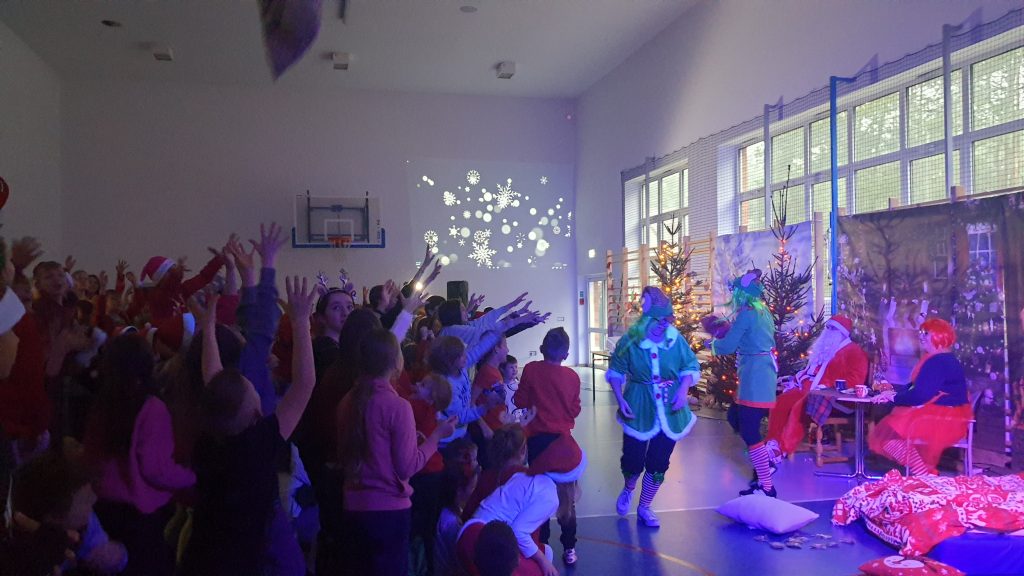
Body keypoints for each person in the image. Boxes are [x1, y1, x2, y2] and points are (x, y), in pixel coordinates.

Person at [179, 273, 315, 576]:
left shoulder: (208, 441)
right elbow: (305, 383)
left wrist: (209, 327)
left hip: (207, 552)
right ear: (256, 413)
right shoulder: (259, 443)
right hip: (252, 553)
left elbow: (213, 380)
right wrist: (301, 322)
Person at [337, 328, 456, 576]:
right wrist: (435, 437)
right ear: (395, 361)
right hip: (388, 512)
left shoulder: (347, 401)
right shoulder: (397, 406)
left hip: (351, 506)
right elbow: (406, 467)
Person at [607, 286, 701, 526]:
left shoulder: (675, 339)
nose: (663, 325)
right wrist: (620, 398)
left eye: (667, 320)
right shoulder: (630, 341)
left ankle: (645, 506)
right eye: (658, 320)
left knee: (659, 461)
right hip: (639, 403)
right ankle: (629, 488)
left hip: (671, 407)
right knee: (633, 458)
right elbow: (616, 370)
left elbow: (690, 365)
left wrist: (683, 389)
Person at [706, 270, 778, 497]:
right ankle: (766, 462)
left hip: (756, 377)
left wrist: (712, 344)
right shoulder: (763, 311)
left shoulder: (747, 314)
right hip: (758, 374)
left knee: (748, 429)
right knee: (734, 416)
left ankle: (767, 485)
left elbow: (728, 345)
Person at [868, 317, 972, 475]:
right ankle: (924, 473)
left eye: (926, 333)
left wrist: (893, 398)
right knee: (889, 430)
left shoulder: (938, 361)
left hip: (942, 418)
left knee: (886, 435)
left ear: (939, 336)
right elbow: (916, 388)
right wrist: (892, 394)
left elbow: (920, 395)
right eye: (921, 332)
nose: (921, 336)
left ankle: (924, 474)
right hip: (946, 414)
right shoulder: (941, 359)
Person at [514, 327, 582, 564]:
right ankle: (570, 548)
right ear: (566, 354)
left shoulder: (531, 369)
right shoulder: (572, 377)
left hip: (537, 443)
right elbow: (574, 409)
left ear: (542, 349)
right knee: (566, 498)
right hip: (563, 444)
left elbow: (520, 400)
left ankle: (541, 546)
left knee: (539, 496)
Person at [766, 314, 868, 457]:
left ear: (842, 333)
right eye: (827, 327)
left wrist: (828, 386)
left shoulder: (854, 351)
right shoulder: (828, 349)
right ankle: (773, 442)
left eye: (833, 329)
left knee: (799, 406)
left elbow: (856, 379)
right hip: (810, 390)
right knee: (781, 401)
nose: (828, 332)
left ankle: (783, 447)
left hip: (832, 398)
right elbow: (811, 371)